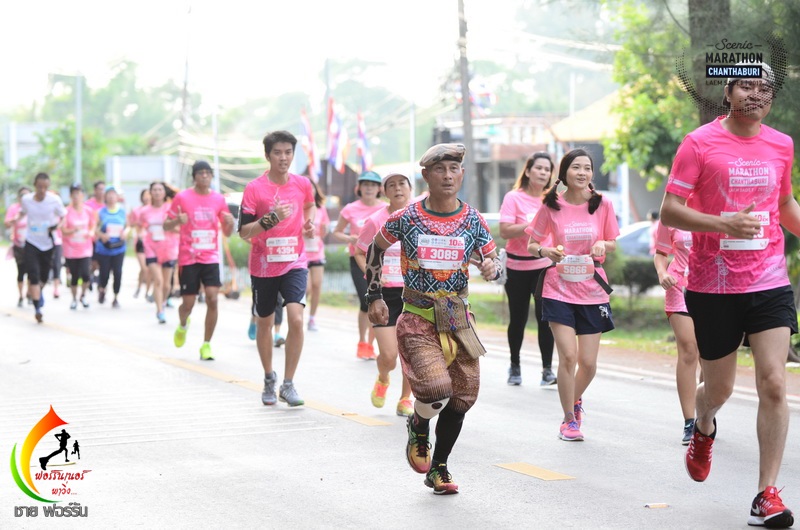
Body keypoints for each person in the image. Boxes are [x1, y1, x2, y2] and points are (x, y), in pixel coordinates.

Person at [660, 64, 796, 528]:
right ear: (728, 92)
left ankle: (766, 494)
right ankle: (704, 425)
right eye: (746, 85)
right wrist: (723, 224)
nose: (756, 94)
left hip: (769, 280)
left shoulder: (781, 144)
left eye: (765, 87)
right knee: (718, 388)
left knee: (773, 382)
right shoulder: (699, 143)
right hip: (712, 283)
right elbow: (671, 211)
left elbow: (783, 205)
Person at [365, 143, 500, 495]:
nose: (448, 176)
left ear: (462, 174)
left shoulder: (473, 219)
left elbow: (494, 259)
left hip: (459, 320)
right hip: (417, 318)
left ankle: (439, 467)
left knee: (463, 397)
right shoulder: (406, 217)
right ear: (426, 175)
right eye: (440, 169)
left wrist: (492, 267)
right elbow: (376, 247)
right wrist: (374, 295)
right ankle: (419, 424)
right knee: (436, 390)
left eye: (454, 169)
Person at [526, 148, 619, 442]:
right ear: (565, 172)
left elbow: (612, 241)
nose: (582, 173)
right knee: (568, 356)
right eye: (576, 167)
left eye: (587, 168)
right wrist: (545, 251)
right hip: (559, 288)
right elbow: (531, 244)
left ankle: (574, 399)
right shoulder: (551, 205)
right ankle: (569, 420)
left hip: (592, 289)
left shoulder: (602, 203)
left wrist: (603, 244)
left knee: (588, 364)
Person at [238, 131, 315, 407]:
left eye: (288, 152)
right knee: (265, 323)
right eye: (277, 153)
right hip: (263, 265)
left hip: (295, 261)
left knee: (296, 319)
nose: (283, 158)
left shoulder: (302, 183)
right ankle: (269, 377)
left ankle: (288, 383)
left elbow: (310, 205)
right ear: (267, 155)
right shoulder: (254, 189)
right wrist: (270, 219)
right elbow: (243, 232)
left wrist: (308, 223)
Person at [355, 172, 414, 417]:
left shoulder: (419, 218)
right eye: (392, 185)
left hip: (413, 293)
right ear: (385, 191)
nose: (398, 188)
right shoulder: (375, 220)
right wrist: (373, 277)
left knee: (411, 352)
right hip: (384, 295)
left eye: (402, 184)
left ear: (410, 188)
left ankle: (405, 399)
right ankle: (383, 377)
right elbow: (360, 252)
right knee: (389, 355)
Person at [165, 161, 234, 360]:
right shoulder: (182, 197)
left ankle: (206, 345)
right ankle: (183, 325)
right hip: (189, 257)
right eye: (200, 173)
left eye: (207, 173)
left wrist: (230, 224)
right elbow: (166, 225)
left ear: (211, 176)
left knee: (213, 298)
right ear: (194, 176)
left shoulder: (219, 199)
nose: (204, 176)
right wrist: (177, 220)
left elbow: (227, 232)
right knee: (188, 304)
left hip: (210, 256)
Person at [499, 152, 557, 386]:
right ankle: (514, 366)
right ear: (528, 170)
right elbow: (505, 231)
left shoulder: (551, 200)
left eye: (547, 169)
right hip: (517, 268)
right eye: (539, 168)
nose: (543, 173)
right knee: (518, 319)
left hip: (544, 267)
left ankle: (547, 370)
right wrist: (533, 225)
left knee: (546, 318)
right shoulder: (514, 198)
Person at [653, 220, 700, 444]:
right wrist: (662, 274)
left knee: (710, 356)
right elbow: (661, 253)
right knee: (689, 350)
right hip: (679, 285)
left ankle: (706, 414)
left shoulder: (715, 207)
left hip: (713, 286)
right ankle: (690, 421)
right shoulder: (671, 213)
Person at [333, 171, 385, 360]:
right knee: (366, 300)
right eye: (365, 184)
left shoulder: (386, 208)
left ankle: (370, 345)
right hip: (358, 259)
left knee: (378, 301)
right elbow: (337, 232)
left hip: (381, 261)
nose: (369, 188)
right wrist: (350, 238)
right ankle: (362, 341)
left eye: (373, 185)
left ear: (379, 188)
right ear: (359, 188)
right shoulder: (350, 209)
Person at [20, 173, 66, 323]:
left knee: (44, 276)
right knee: (33, 274)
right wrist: (14, 220)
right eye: (39, 187)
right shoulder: (26, 200)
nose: (42, 190)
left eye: (45, 187)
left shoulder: (54, 200)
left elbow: (63, 216)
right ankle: (37, 308)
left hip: (47, 243)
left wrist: (56, 226)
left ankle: (37, 292)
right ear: (34, 185)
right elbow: (23, 212)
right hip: (31, 242)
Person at [140, 182, 180, 323]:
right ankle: (160, 310)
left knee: (167, 285)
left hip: (168, 249)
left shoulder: (171, 208)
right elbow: (141, 226)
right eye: (154, 190)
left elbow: (179, 228)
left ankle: (162, 302)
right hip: (151, 248)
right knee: (158, 280)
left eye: (160, 190)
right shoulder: (144, 211)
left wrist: (169, 227)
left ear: (164, 192)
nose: (157, 192)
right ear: (150, 192)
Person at [61, 184, 96, 310]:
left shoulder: (88, 211)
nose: (76, 196)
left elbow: (93, 225)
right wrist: (73, 230)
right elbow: (63, 230)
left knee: (86, 274)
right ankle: (74, 299)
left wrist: (91, 233)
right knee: (74, 275)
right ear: (70, 196)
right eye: (74, 194)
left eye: (79, 193)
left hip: (85, 248)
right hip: (71, 249)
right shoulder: (66, 212)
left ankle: (83, 296)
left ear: (83, 195)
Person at [94, 187, 127, 308]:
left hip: (119, 248)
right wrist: (102, 235)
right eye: (109, 194)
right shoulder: (100, 212)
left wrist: (125, 233)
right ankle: (102, 289)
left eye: (114, 194)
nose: (111, 197)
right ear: (105, 197)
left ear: (117, 197)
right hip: (104, 248)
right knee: (104, 272)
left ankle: (116, 297)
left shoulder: (122, 212)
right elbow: (95, 228)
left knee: (117, 273)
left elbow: (128, 226)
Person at [304, 177, 330, 332]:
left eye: (312, 187)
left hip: (317, 252)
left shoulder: (321, 209)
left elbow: (323, 231)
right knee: (306, 288)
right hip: (301, 253)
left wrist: (324, 230)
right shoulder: (299, 208)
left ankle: (312, 318)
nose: (310, 190)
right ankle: (297, 312)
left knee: (317, 285)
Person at [4, 186, 31, 307]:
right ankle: (21, 296)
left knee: (32, 271)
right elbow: (7, 224)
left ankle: (30, 294)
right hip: (19, 245)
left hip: (32, 245)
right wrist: (16, 218)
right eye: (22, 195)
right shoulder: (14, 208)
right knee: (21, 271)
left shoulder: (33, 207)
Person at [130, 188, 153, 300]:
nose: (147, 197)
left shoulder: (156, 210)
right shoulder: (137, 211)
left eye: (149, 195)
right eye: (145, 195)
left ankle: (147, 291)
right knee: (144, 268)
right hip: (140, 242)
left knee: (149, 269)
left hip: (152, 243)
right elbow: (133, 224)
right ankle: (139, 287)